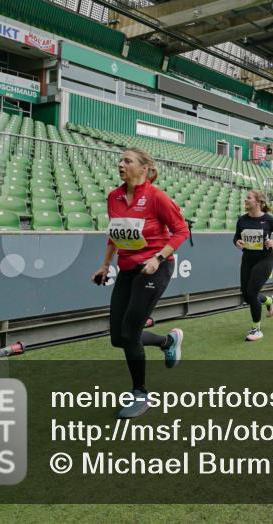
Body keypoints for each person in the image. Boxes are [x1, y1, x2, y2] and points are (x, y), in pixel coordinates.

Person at [92, 147, 189, 419]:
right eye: (120, 160)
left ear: (144, 168)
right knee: (118, 337)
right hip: (127, 269)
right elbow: (115, 234)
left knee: (130, 333)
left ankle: (141, 393)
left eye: (127, 161)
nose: (120, 164)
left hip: (155, 268)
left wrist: (158, 258)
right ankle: (168, 341)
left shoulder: (157, 197)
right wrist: (105, 265)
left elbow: (182, 230)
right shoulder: (113, 197)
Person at [234, 189, 273, 341]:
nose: (245, 200)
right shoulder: (242, 220)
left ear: (258, 202)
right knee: (246, 295)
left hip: (265, 259)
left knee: (252, 293)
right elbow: (236, 237)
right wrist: (237, 242)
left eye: (249, 198)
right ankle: (270, 301)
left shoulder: (269, 220)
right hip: (247, 259)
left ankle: (256, 329)